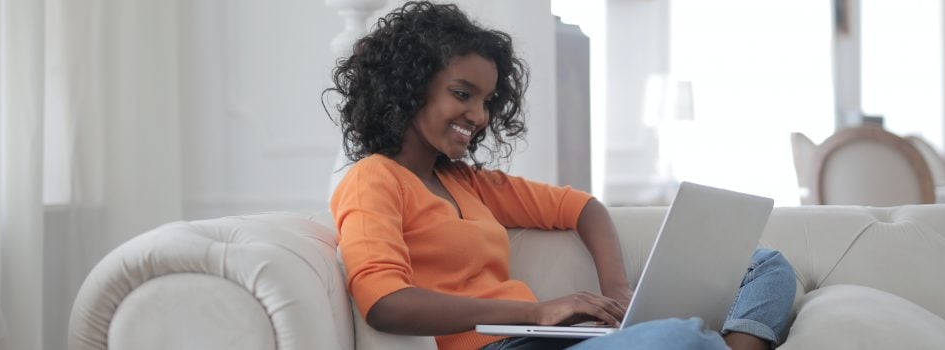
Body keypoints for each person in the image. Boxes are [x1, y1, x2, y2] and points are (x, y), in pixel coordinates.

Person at [325, 2, 796, 349]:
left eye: (487, 101)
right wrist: (534, 312)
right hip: (504, 346)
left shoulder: (465, 182)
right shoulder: (373, 179)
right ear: (408, 86)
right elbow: (386, 303)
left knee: (766, 264)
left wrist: (618, 293)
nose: (480, 115)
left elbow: (583, 206)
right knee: (682, 339)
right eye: (463, 94)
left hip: (548, 340)